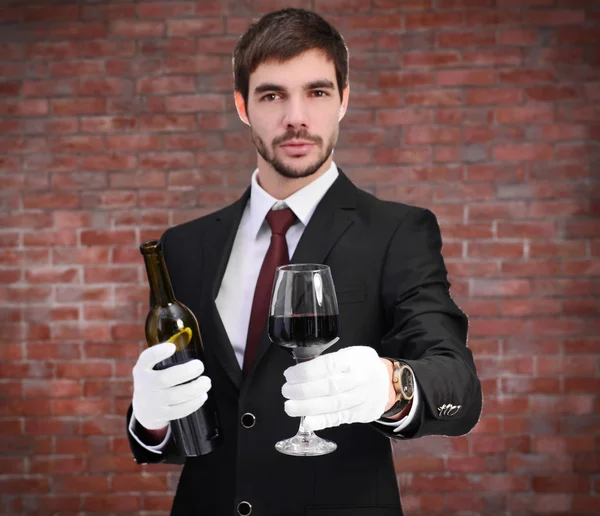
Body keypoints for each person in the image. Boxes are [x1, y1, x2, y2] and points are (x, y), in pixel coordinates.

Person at [126, 8, 482, 516]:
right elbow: (186, 433)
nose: (296, 117)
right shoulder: (185, 246)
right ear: (242, 106)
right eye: (272, 95)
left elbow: (459, 387)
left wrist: (390, 385)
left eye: (317, 92)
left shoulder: (397, 232)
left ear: (343, 101)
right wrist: (151, 420)